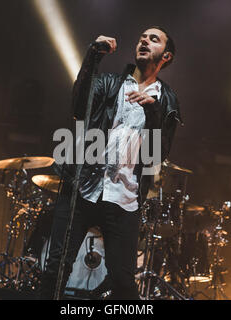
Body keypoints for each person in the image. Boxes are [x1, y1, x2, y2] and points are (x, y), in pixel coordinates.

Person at [40, 26, 182, 300]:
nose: (144, 40)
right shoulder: (109, 82)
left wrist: (152, 111)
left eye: (154, 39)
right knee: (55, 268)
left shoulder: (167, 101)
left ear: (166, 56)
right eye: (142, 36)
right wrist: (93, 56)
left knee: (123, 281)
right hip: (83, 188)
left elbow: (156, 156)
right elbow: (79, 109)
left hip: (125, 198)